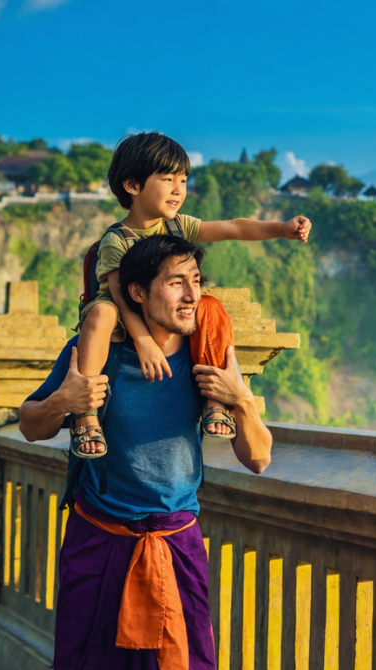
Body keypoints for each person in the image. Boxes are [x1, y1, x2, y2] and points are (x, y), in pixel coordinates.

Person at [19, 235, 272, 670]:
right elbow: (29, 424)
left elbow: (259, 459)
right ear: (137, 291)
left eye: (196, 281)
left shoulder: (206, 355)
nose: (192, 296)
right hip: (99, 539)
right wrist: (63, 402)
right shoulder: (99, 353)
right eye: (176, 283)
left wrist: (242, 401)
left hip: (176, 544)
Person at [72, 130, 310, 459]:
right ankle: (85, 413)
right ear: (132, 185)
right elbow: (119, 295)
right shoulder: (118, 239)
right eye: (168, 179)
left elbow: (232, 227)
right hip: (121, 313)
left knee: (210, 305)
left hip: (162, 309)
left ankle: (216, 402)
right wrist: (143, 341)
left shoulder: (177, 226)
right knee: (103, 312)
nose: (178, 189)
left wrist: (281, 229)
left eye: (183, 180)